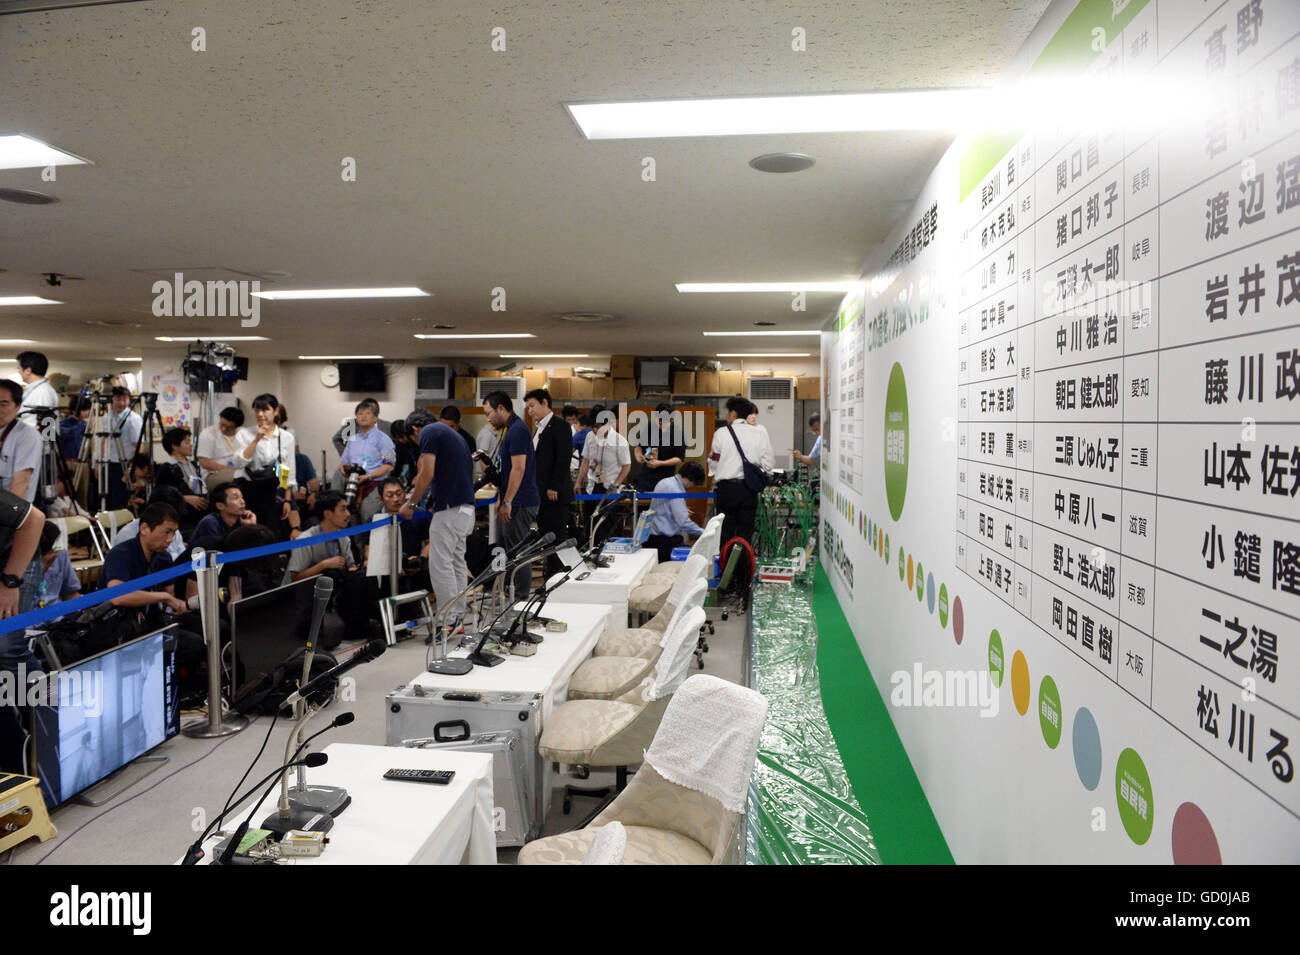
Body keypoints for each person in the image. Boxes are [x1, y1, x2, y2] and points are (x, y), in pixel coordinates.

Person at [100, 502, 204, 678]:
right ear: (145, 528)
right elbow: (117, 595)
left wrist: (175, 602)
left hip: (151, 620)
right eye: (166, 531)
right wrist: (163, 597)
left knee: (206, 626)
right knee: (192, 644)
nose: (170, 539)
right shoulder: (122, 553)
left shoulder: (162, 557)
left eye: (173, 533)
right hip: (120, 626)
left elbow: (169, 593)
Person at [400, 417, 475, 625]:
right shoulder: (452, 435)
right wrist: (434, 498)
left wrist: (412, 504)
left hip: (451, 510)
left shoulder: (429, 432)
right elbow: (447, 473)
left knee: (440, 564)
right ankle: (458, 615)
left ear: (415, 429)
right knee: (457, 562)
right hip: (465, 509)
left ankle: (447, 620)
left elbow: (427, 472)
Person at [285, 491, 380, 643]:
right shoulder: (306, 539)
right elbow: (295, 579)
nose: (348, 514)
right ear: (328, 514)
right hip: (305, 597)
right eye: (342, 509)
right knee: (329, 573)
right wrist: (323, 565)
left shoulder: (343, 537)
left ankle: (359, 627)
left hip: (333, 592)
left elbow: (351, 568)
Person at [483, 391, 539, 601]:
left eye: (489, 413)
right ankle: (510, 590)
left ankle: (521, 596)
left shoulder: (517, 431)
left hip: (520, 502)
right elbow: (508, 471)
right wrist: (501, 497)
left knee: (518, 550)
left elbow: (518, 469)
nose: (488, 419)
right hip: (513, 499)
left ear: (500, 408)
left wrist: (508, 501)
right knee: (507, 548)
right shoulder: (511, 429)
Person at [708, 396, 774, 552]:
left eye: (728, 412)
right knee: (746, 533)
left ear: (734, 413)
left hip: (727, 490)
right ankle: (743, 572)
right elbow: (769, 465)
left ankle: (726, 573)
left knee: (726, 533)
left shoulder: (722, 433)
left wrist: (723, 468)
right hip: (749, 489)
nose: (726, 416)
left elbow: (713, 462)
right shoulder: (759, 434)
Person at [524, 388, 573, 577]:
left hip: (554, 493)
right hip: (540, 493)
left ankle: (555, 578)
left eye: (532, 406)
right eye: (528, 407)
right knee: (546, 538)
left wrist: (555, 485)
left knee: (555, 540)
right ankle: (548, 577)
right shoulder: (540, 428)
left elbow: (563, 458)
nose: (530, 411)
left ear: (545, 402)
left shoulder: (560, 426)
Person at [235, 393, 295, 533]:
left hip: (270, 490)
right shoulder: (244, 434)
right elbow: (239, 463)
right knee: (247, 532)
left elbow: (287, 470)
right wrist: (256, 439)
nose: (260, 414)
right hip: (246, 487)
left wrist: (287, 500)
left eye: (265, 410)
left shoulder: (286, 437)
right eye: (257, 410)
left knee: (269, 531)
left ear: (276, 411)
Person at [575, 405, 631, 548]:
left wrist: (616, 484)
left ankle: (605, 555)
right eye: (594, 427)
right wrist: (578, 482)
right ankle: (589, 554)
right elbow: (586, 460)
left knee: (605, 527)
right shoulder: (589, 437)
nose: (596, 430)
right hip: (591, 487)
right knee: (589, 524)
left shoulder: (620, 440)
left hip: (609, 488)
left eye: (599, 426)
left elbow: (626, 466)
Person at [338, 398, 395, 520]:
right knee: (351, 520)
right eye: (360, 413)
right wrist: (344, 470)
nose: (363, 416)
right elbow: (343, 462)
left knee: (368, 521)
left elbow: (388, 466)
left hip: (373, 485)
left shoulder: (383, 439)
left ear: (375, 418)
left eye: (367, 413)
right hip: (352, 484)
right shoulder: (352, 439)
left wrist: (368, 476)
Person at [646, 461, 707, 562]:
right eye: (693, 485)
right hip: (665, 543)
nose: (691, 488)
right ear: (690, 479)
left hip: (653, 538)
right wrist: (703, 532)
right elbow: (683, 522)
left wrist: (682, 509)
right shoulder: (676, 489)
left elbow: (664, 508)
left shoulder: (665, 481)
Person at [155, 427, 209, 534]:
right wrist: (184, 498)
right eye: (187, 442)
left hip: (198, 512)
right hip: (182, 518)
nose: (191, 445)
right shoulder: (167, 468)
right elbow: (161, 495)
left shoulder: (193, 465)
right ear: (174, 446)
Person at [113, 486, 189, 560]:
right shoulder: (127, 537)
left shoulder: (175, 533)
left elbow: (181, 561)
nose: (170, 539)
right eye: (167, 531)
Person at [0, 380, 43, 504]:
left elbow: (21, 483)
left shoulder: (27, 435)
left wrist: (10, 515)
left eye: (3, 404)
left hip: (11, 511)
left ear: (17, 405)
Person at [102, 386, 142, 510]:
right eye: (118, 399)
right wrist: (99, 464)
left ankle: (120, 527)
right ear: (112, 400)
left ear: (129, 400)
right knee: (107, 497)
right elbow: (104, 440)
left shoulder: (134, 419)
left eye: (125, 399)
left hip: (125, 465)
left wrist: (131, 468)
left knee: (120, 500)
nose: (121, 403)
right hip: (108, 463)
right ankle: (107, 526)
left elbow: (139, 447)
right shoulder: (107, 417)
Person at [634, 402, 686, 493]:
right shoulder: (649, 428)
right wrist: (638, 455)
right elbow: (639, 447)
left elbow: (679, 458)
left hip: (665, 479)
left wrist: (660, 463)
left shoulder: (677, 433)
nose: (662, 426)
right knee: (642, 505)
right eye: (660, 422)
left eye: (665, 423)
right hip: (646, 477)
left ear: (672, 420)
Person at [190, 482, 257, 545]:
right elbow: (218, 551)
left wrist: (251, 526)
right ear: (220, 506)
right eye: (236, 498)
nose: (242, 502)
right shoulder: (210, 522)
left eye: (242, 497)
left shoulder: (243, 520)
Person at [36, 522, 80, 612]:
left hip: (57, 618)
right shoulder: (12, 563)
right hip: (27, 622)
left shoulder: (60, 554)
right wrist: (42, 568)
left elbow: (70, 594)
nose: (54, 554)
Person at [196, 406, 248, 482]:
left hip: (239, 471)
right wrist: (231, 470)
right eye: (222, 424)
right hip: (214, 474)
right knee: (239, 479)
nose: (223, 429)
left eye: (229, 427)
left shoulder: (243, 433)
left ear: (236, 427)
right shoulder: (208, 434)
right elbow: (205, 463)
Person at [16, 351, 59, 424]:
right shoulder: (35, 390)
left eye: (19, 368)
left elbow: (43, 425)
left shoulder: (42, 392)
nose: (19, 372)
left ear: (28, 371)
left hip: (33, 434)